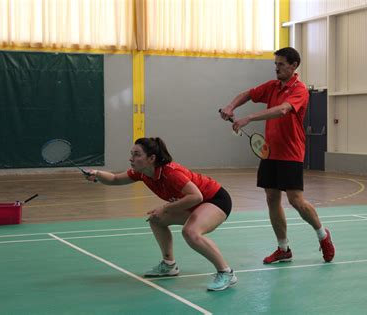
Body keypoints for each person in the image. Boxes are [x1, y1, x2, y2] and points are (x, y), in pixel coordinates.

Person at [220, 47, 335, 264]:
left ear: (293, 66)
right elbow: (249, 93)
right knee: (272, 198)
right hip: (269, 152)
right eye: (275, 64)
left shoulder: (299, 90)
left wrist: (249, 118)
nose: (277, 68)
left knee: (296, 201)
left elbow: (282, 110)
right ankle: (283, 249)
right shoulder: (272, 86)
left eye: (281, 64)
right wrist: (230, 105)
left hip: (291, 153)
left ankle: (323, 235)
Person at [85, 137, 237, 291]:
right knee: (157, 220)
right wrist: (96, 173)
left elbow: (196, 196)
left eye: (137, 154)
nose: (131, 159)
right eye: (131, 154)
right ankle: (169, 264)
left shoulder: (171, 173)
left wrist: (165, 208)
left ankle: (226, 272)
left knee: (191, 232)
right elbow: (115, 179)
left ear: (151, 158)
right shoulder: (142, 173)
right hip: (192, 202)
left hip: (215, 200)